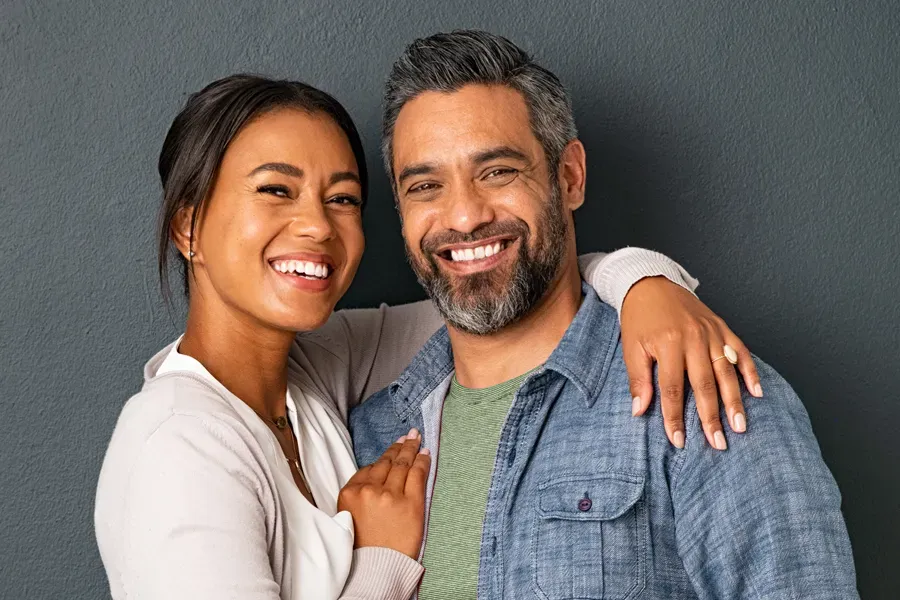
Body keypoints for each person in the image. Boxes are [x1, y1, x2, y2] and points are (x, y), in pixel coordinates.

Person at [94, 75, 756, 600]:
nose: (317, 227)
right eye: (276, 190)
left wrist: (646, 284)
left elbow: (507, 286)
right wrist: (380, 562)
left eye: (343, 198)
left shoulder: (317, 372)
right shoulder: (175, 445)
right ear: (187, 228)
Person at [350, 30, 859, 600]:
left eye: (497, 172)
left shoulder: (702, 394)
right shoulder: (370, 435)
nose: (464, 216)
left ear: (569, 177)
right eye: (425, 186)